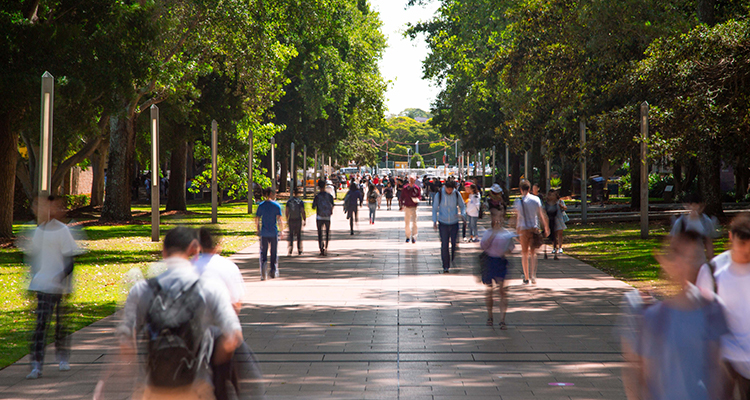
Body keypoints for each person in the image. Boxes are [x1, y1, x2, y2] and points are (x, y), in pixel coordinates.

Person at [112, 227, 243, 400]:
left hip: (153, 390)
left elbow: (125, 341)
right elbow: (233, 335)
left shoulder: (140, 290)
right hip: (196, 389)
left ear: (164, 252)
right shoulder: (210, 288)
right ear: (194, 251)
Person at [621, 231, 728, 400]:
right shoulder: (654, 317)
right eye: (682, 256)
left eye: (695, 257)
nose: (689, 264)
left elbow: (718, 370)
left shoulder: (712, 311)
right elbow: (643, 373)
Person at [193, 228, 265, 400]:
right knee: (248, 379)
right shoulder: (228, 267)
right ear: (219, 244)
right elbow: (236, 304)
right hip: (224, 335)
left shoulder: (189, 267)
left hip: (195, 337)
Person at [24, 196, 80, 379]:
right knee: (41, 325)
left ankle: (62, 357)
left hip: (59, 287)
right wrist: (31, 281)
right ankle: (37, 364)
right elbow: (34, 258)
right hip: (42, 285)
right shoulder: (39, 231)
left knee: (60, 324)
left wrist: (62, 278)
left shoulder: (63, 231)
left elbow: (69, 261)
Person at [696, 213, 750, 399]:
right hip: (722, 357)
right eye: (741, 245)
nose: (745, 253)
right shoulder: (713, 271)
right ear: (731, 237)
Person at [480, 207, 515, 329]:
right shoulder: (488, 232)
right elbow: (483, 246)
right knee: (489, 290)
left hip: (501, 262)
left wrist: (506, 250)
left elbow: (511, 248)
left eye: (500, 217)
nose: (498, 219)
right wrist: (493, 234)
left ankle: (502, 320)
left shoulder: (506, 233)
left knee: (502, 290)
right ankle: (490, 316)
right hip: (489, 261)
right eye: (496, 217)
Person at [514, 180, 549, 284]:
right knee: (533, 253)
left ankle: (526, 276)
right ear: (529, 189)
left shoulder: (518, 201)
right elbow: (541, 214)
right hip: (534, 228)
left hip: (523, 230)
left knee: (524, 253)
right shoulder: (536, 199)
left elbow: (517, 217)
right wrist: (546, 227)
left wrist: (516, 231)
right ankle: (533, 275)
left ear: (520, 189)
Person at [670, 192, 717, 263]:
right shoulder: (681, 222)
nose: (694, 207)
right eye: (692, 205)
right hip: (685, 261)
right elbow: (674, 241)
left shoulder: (705, 221)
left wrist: (711, 261)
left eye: (696, 205)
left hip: (700, 260)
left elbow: (708, 242)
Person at [432, 179, 467, 273]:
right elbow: (435, 208)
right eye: (448, 190)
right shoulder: (439, 195)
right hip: (443, 223)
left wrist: (463, 215)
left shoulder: (456, 194)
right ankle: (445, 265)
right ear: (445, 187)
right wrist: (434, 221)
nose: (449, 192)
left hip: (454, 222)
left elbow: (462, 205)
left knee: (454, 243)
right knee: (444, 245)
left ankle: (453, 258)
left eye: (451, 190)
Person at [256, 188, 284, 280]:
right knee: (274, 252)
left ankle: (263, 269)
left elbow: (257, 219)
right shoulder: (276, 205)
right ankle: (273, 269)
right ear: (271, 193)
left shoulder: (261, 205)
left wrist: (258, 229)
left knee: (263, 252)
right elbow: (280, 219)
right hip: (273, 232)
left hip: (264, 232)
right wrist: (282, 230)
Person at [312, 179, 335, 256]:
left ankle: (321, 247)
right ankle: (326, 247)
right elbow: (333, 204)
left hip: (319, 217)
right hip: (327, 217)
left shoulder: (317, 196)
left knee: (320, 233)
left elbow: (313, 206)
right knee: (327, 233)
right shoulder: (329, 196)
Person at [544, 190, 567, 259]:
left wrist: (562, 206)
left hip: (559, 219)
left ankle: (560, 247)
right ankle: (554, 247)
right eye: (550, 195)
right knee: (554, 234)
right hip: (551, 219)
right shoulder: (547, 203)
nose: (552, 196)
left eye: (553, 195)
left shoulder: (560, 201)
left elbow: (565, 208)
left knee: (560, 233)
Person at [285, 186, 306, 256]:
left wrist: (287, 218)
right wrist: (304, 219)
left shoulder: (289, 201)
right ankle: (299, 249)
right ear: (299, 193)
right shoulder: (300, 202)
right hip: (298, 219)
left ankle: (290, 249)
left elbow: (287, 211)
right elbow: (303, 211)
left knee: (291, 235)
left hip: (291, 219)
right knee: (298, 235)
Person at [401, 174, 422, 243]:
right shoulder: (405, 188)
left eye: (413, 180)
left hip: (414, 207)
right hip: (407, 207)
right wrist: (401, 205)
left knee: (414, 223)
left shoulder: (417, 188)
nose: (411, 181)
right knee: (407, 223)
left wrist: (417, 199)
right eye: (410, 180)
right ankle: (407, 236)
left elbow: (419, 197)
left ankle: (414, 236)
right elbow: (402, 197)